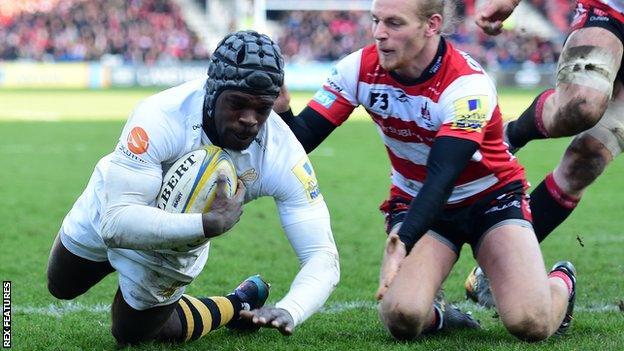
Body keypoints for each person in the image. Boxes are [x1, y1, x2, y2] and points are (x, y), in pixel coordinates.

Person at [274, 0, 577, 341]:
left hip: (491, 200)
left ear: (431, 25)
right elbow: (300, 141)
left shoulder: (466, 85)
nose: (379, 34)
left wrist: (402, 240)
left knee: (530, 324)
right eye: (375, 21)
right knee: (401, 317)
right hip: (418, 200)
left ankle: (562, 280)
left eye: (394, 23)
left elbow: (443, 175)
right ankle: (443, 317)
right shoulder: (358, 69)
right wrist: (284, 111)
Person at [46, 30, 340, 346]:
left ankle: (237, 302)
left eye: (262, 109)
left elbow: (322, 256)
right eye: (238, 104)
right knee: (60, 284)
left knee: (131, 336)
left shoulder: (282, 152)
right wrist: (207, 223)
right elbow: (115, 222)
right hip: (117, 202)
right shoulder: (162, 114)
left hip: (174, 249)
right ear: (211, 92)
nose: (249, 120)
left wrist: (291, 309)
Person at [465, 0, 623, 307]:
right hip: (611, 12)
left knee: (586, 160)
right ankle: (506, 137)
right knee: (581, 104)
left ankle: (495, 268)